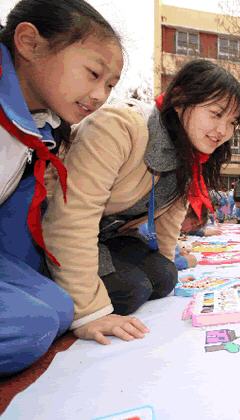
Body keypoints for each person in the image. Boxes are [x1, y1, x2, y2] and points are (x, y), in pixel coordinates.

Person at [42, 59, 240, 344]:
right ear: (179, 100)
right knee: (130, 289)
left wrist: (166, 264)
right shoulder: (119, 127)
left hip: (107, 236)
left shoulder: (190, 156)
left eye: (232, 123)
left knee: (164, 275)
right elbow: (71, 216)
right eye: (215, 114)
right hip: (52, 233)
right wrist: (90, 312)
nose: (223, 131)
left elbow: (170, 219)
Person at [0, 0, 122, 375]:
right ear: (30, 43)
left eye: (110, 85)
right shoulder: (117, 130)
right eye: (93, 73)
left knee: (58, 307)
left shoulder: (42, 130)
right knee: (31, 325)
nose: (100, 94)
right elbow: (74, 216)